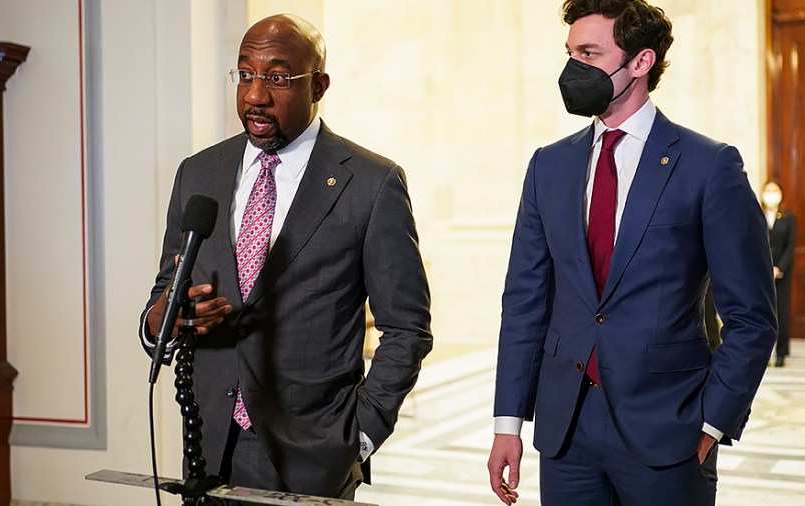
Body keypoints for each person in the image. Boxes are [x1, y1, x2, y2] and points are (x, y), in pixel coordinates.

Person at [486, 1, 777, 505]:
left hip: (669, 430)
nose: (573, 67)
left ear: (641, 62)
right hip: (566, 433)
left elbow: (752, 317)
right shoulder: (548, 166)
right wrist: (507, 422)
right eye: (570, 52)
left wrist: (710, 421)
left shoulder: (709, 166)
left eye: (589, 53)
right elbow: (525, 303)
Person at [139, 14, 432, 499]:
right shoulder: (199, 172)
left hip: (314, 454)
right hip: (209, 446)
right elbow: (162, 297)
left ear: (319, 84)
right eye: (245, 73)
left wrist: (356, 439)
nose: (255, 95)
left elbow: (407, 328)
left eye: (277, 78)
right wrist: (161, 320)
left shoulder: (371, 183)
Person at [763, 180, 796, 367]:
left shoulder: (788, 217)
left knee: (782, 313)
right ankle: (764, 353)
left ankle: (782, 352)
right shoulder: (757, 215)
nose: (771, 194)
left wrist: (778, 268)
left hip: (781, 273)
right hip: (761, 273)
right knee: (764, 313)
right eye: (768, 190)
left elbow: (790, 246)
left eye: (774, 191)